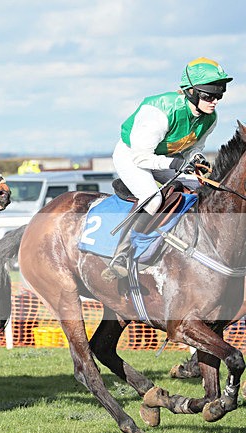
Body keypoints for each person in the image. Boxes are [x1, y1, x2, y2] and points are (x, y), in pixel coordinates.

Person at [102, 57, 232, 280]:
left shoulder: (210, 118)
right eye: (209, 95)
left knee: (203, 190)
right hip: (132, 155)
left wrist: (197, 159)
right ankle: (121, 254)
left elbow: (195, 147)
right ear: (191, 92)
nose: (215, 101)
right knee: (153, 199)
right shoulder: (160, 114)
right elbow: (142, 158)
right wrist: (175, 163)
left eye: (219, 95)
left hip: (166, 158)